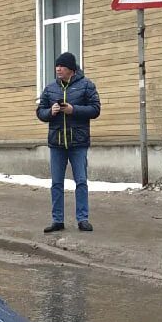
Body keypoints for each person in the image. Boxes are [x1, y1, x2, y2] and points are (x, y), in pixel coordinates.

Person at [35, 52, 101, 233]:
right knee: (56, 183)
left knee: (80, 181)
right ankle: (57, 220)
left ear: (71, 69)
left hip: (78, 143)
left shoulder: (87, 85)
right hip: (57, 143)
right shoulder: (50, 89)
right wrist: (51, 112)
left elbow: (95, 109)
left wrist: (73, 110)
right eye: (57, 66)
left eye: (61, 66)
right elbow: (40, 112)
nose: (58, 69)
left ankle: (83, 219)